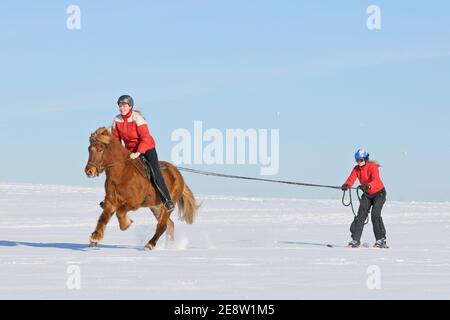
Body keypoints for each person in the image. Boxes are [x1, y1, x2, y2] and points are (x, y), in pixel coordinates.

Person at [101, 95, 175, 212]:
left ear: (130, 107)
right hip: (130, 151)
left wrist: (138, 152)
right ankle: (110, 198)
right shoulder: (117, 120)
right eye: (120, 106)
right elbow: (116, 140)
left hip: (146, 148)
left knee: (154, 171)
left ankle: (167, 200)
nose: (122, 108)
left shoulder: (138, 118)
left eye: (124, 105)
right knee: (117, 169)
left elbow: (145, 138)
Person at [341, 149, 388, 248]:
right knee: (360, 216)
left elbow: (375, 180)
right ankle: (355, 240)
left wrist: (367, 186)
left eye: (361, 160)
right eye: (357, 160)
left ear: (366, 159)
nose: (359, 162)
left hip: (379, 193)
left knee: (375, 215)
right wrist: (346, 185)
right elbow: (351, 179)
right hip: (367, 194)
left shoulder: (373, 167)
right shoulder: (356, 169)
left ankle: (381, 240)